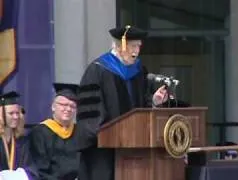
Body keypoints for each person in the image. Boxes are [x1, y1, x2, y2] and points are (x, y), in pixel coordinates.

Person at [75, 25, 169, 180]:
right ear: (120, 46)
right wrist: (106, 133)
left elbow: (141, 105)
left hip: (134, 147)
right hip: (104, 150)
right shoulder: (97, 70)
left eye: (138, 46)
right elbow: (90, 112)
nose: (136, 51)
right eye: (133, 46)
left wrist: (154, 101)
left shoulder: (138, 71)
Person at [28, 83, 80, 180]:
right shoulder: (39, 132)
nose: (68, 109)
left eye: (72, 106)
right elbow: (40, 169)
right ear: (53, 107)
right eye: (63, 105)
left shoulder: (79, 131)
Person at [0, 91, 38, 180]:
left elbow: (31, 169)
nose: (16, 117)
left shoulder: (22, 141)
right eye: (11, 113)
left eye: (18, 113)